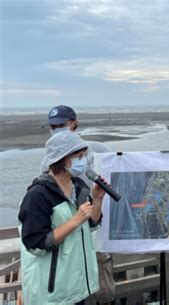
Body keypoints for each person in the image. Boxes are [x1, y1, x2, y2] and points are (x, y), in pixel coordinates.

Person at [18, 131, 105, 304]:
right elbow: (36, 244)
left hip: (80, 286)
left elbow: (92, 225)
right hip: (53, 292)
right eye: (78, 156)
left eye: (84, 155)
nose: (84, 160)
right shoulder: (37, 196)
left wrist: (97, 199)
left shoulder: (79, 187)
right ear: (62, 158)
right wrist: (75, 221)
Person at [41, 105, 115, 305]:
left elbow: (115, 174)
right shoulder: (46, 165)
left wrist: (97, 201)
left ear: (74, 123)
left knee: (103, 288)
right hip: (69, 241)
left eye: (61, 124)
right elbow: (37, 240)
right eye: (53, 126)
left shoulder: (99, 149)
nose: (57, 128)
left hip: (96, 230)